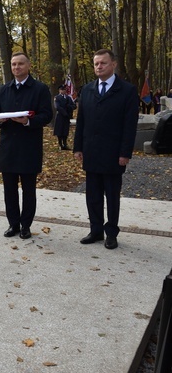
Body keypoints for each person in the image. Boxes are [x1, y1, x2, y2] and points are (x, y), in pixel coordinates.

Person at [73, 49, 139, 250]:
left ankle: (111, 233)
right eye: (96, 64)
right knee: (92, 195)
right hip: (91, 152)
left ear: (113, 64)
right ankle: (95, 230)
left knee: (111, 196)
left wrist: (125, 153)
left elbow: (130, 125)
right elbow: (81, 121)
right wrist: (78, 148)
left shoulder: (127, 90)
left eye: (103, 63)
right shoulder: (88, 89)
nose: (99, 67)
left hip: (113, 154)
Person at [0, 52, 52, 239]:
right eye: (13, 64)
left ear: (28, 66)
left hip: (29, 147)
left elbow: (47, 115)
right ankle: (13, 224)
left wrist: (27, 121)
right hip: (8, 147)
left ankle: (26, 225)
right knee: (9, 190)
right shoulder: (4, 89)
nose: (16, 67)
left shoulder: (40, 89)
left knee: (28, 190)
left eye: (20, 64)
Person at [53, 85, 75, 150]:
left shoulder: (68, 98)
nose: (63, 91)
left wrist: (69, 107)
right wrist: (64, 113)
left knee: (65, 130)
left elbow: (74, 106)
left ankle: (65, 144)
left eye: (64, 90)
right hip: (60, 116)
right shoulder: (57, 98)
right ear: (59, 90)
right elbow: (57, 107)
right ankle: (60, 144)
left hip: (67, 116)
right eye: (62, 90)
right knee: (59, 131)